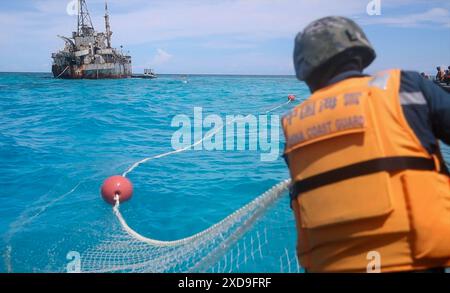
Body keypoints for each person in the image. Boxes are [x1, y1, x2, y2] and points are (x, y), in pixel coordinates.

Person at [282, 16, 450, 273]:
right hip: (419, 261)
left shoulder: (293, 124)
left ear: (305, 70)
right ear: (359, 52)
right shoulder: (405, 86)